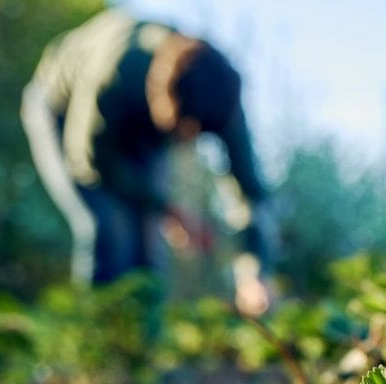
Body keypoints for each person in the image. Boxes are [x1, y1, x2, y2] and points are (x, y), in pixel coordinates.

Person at [21, 8, 276, 316]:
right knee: (107, 226)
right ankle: (96, 345)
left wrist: (252, 271)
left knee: (148, 242)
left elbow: (249, 190)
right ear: (164, 101)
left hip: (136, 130)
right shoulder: (114, 72)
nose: (187, 143)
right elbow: (89, 161)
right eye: (182, 132)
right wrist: (166, 209)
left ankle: (141, 349)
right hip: (62, 112)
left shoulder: (219, 95)